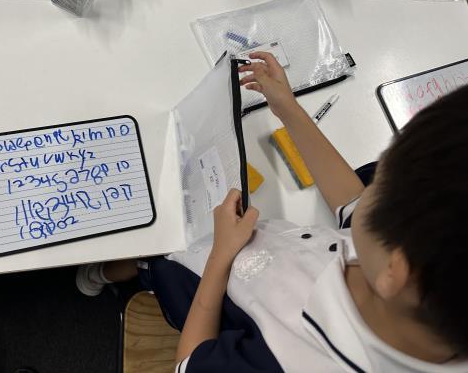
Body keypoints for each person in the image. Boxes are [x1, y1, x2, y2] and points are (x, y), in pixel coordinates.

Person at [76, 52, 468, 372]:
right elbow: (352, 203)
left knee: (156, 262)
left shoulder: (286, 361)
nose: (369, 187)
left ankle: (105, 276)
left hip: (202, 282)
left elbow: (190, 362)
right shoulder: (424, 263)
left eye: (379, 183)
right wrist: (289, 109)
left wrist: (220, 257)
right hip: (247, 243)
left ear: (396, 271)